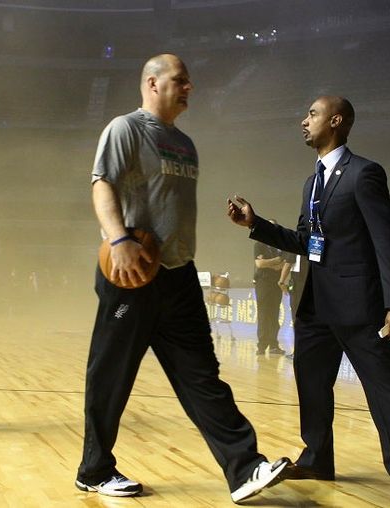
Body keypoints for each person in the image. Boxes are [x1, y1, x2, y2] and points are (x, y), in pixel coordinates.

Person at [76, 54, 289, 505]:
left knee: (202, 376)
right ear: (152, 84)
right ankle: (94, 470)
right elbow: (102, 185)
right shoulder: (125, 129)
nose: (190, 87)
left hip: (178, 276)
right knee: (110, 374)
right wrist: (118, 240)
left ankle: (245, 467)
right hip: (130, 272)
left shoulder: (187, 145)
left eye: (190, 81)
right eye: (181, 80)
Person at [227, 96, 390, 507]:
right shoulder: (312, 181)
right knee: (312, 385)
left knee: (385, 389)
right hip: (314, 303)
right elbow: (304, 242)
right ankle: (317, 459)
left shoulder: (365, 174)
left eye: (312, 114)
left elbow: (388, 239)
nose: (304, 121)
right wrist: (256, 223)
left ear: (335, 121)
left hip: (358, 304)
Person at [252, 230, 287, 355]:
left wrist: (269, 262)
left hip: (276, 283)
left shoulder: (280, 247)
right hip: (263, 283)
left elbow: (283, 264)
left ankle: (273, 345)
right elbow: (259, 264)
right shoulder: (259, 245)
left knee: (274, 314)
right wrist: (276, 261)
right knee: (263, 314)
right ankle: (261, 346)